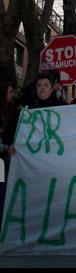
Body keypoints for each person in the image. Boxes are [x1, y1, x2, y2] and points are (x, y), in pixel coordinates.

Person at [2, 72, 65, 156]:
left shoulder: (61, 108)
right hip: (28, 155)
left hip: (51, 154)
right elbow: (11, 127)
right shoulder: (24, 106)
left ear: (52, 88)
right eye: (39, 85)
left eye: (46, 85)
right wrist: (11, 143)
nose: (42, 88)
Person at [0, 82, 14, 230]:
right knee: (2, 190)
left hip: (3, 158)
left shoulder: (8, 111)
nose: (12, 95)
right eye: (10, 92)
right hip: (0, 160)